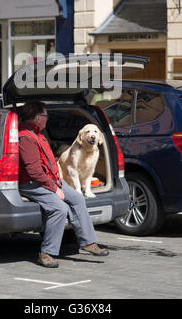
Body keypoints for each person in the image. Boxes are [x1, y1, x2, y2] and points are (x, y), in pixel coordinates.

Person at [18, 101, 109, 268]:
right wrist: (55, 189)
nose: (47, 118)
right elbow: (34, 171)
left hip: (50, 180)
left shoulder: (37, 133)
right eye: (46, 115)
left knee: (78, 199)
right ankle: (46, 253)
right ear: (38, 118)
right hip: (32, 184)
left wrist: (57, 182)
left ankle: (88, 242)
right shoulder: (26, 137)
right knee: (59, 209)